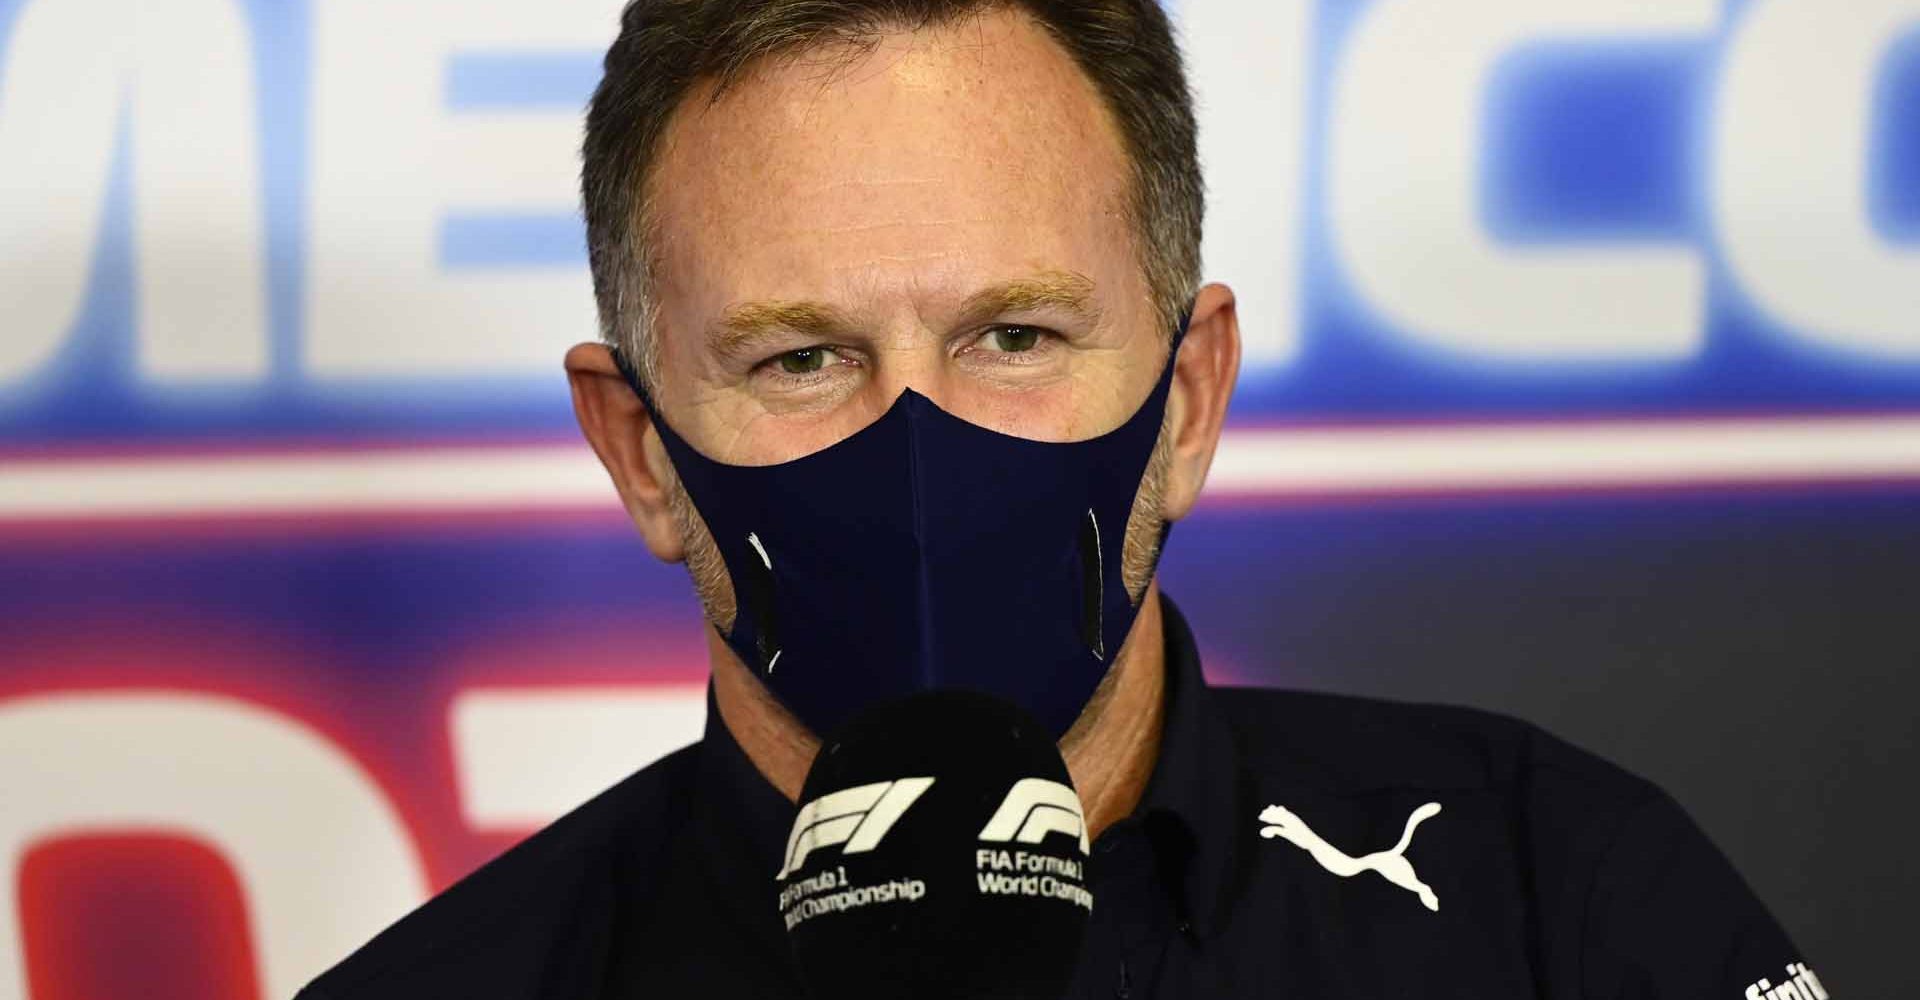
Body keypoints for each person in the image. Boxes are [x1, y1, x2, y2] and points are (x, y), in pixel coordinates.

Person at [298, 1, 1825, 997]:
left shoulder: (1556, 895)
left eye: (1013, 337)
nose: (918, 450)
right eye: (804, 356)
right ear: (639, 451)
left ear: (1190, 395)